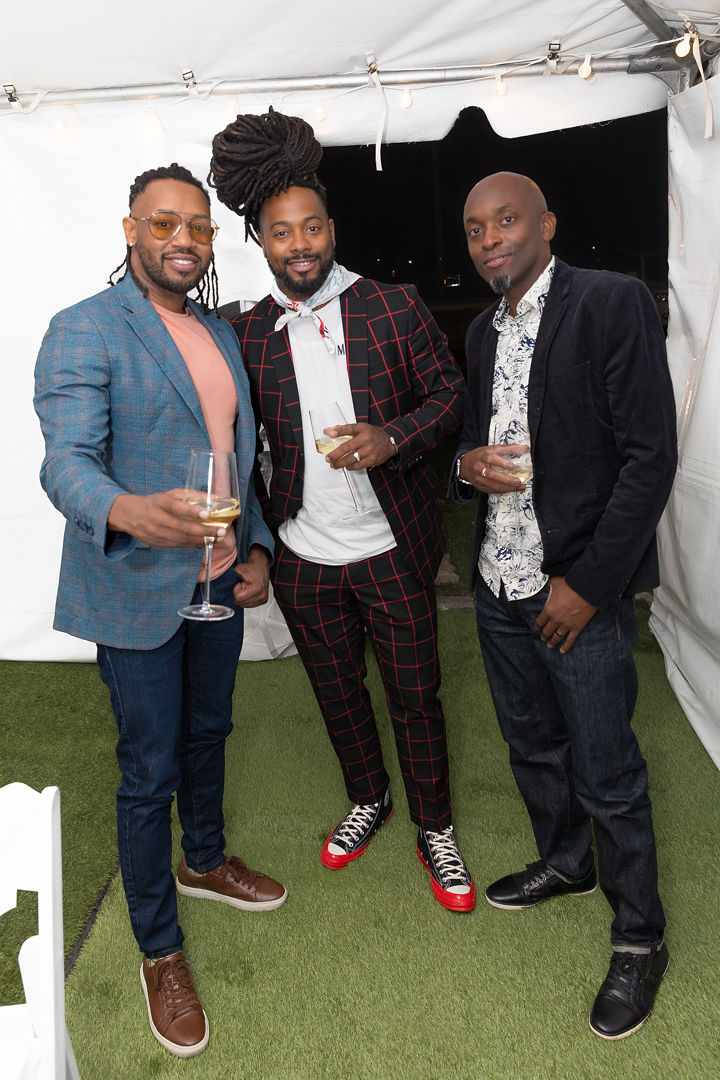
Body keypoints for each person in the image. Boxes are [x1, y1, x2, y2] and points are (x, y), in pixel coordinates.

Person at [34, 164, 287, 1059]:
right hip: (134, 583)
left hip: (217, 580)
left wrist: (252, 546)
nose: (186, 238)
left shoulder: (218, 332)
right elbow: (65, 462)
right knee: (149, 766)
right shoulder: (84, 329)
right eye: (166, 222)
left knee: (208, 729)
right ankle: (158, 946)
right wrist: (135, 513)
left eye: (201, 227)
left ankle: (205, 859)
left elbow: (234, 454)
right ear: (132, 230)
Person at [208, 108, 475, 912]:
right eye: (283, 233)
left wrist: (393, 437)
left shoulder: (390, 305)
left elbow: (450, 396)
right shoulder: (248, 332)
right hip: (302, 554)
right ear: (261, 241)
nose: (301, 245)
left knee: (414, 692)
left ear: (331, 227)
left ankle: (435, 825)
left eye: (313, 227)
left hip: (392, 547)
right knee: (335, 689)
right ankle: (370, 796)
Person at [450, 171, 677, 1038]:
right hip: (499, 585)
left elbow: (648, 458)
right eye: (474, 228)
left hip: (575, 587)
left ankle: (639, 935)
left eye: (505, 220)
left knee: (607, 769)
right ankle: (566, 863)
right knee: (533, 745)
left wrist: (589, 586)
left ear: (546, 224)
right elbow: (483, 438)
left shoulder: (610, 303)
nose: (488, 238)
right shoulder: (480, 330)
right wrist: (465, 466)